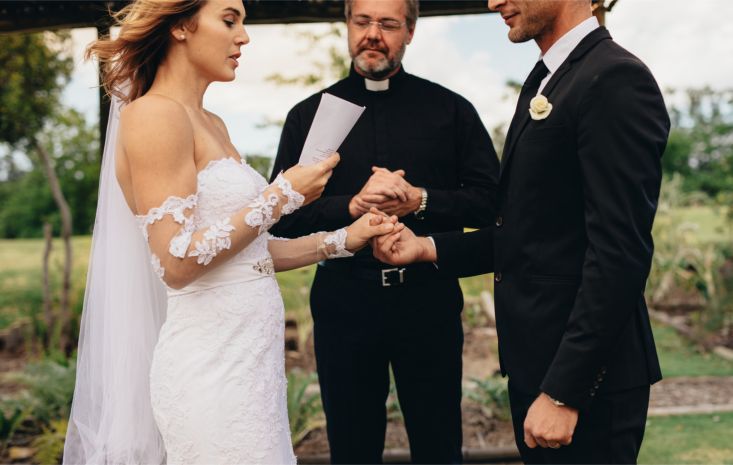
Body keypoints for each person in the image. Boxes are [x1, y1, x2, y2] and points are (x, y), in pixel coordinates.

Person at [63, 0, 398, 463]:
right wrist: (283, 194)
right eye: (229, 20)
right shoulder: (153, 115)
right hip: (209, 371)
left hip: (253, 368)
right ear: (181, 26)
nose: (244, 37)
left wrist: (344, 239)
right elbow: (176, 262)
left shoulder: (212, 122)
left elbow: (249, 257)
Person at [372, 0, 670, 463]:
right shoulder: (546, 78)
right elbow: (531, 235)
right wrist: (426, 247)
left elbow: (620, 253)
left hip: (586, 384)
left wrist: (564, 393)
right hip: (538, 369)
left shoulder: (614, 78)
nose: (493, 1)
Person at [269, 0, 499, 462]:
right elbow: (283, 217)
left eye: (388, 24)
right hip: (343, 304)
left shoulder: (451, 111)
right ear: (348, 26)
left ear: (409, 32)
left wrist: (422, 199)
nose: (373, 34)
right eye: (362, 22)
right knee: (352, 450)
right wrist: (350, 206)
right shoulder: (307, 116)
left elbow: (493, 202)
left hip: (428, 301)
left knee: (438, 446)